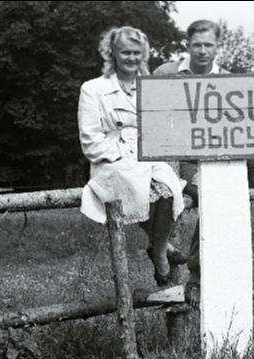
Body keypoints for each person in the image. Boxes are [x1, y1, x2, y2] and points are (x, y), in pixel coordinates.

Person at [78, 26, 186, 286]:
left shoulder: (148, 88)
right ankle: (163, 256)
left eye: (137, 53)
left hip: (146, 154)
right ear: (112, 53)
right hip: (111, 160)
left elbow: (162, 126)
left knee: (170, 190)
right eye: (125, 52)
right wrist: (119, 156)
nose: (131, 58)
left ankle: (158, 248)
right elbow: (90, 139)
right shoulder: (93, 89)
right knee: (136, 187)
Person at [153, 19, 229, 304]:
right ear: (188, 45)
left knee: (217, 200)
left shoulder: (228, 79)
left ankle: (196, 276)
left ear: (217, 46)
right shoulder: (165, 73)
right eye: (197, 44)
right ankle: (161, 250)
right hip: (172, 155)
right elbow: (151, 116)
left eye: (208, 45)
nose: (202, 51)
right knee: (170, 195)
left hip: (209, 158)